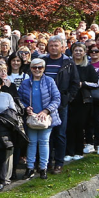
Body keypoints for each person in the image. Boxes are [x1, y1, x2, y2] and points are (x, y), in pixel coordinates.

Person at [40, 35, 79, 174]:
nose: (53, 48)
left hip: (61, 102)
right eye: (51, 45)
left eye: (56, 45)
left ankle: (59, 163)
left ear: (62, 47)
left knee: (60, 133)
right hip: (44, 102)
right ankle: (47, 162)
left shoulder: (68, 62)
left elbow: (75, 83)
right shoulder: (42, 61)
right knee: (46, 133)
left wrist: (68, 98)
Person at [18, 58, 60, 178]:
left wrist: (46, 111)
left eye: (40, 67)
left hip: (46, 117)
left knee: (44, 142)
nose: (37, 70)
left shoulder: (50, 81)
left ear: (44, 68)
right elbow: (19, 99)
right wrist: (26, 108)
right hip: (32, 117)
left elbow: (56, 98)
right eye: (34, 67)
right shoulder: (25, 83)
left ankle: (43, 168)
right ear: (30, 69)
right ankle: (30, 168)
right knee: (31, 143)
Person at [66, 42, 99, 160]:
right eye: (76, 50)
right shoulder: (68, 65)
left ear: (85, 52)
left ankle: (78, 151)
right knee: (69, 126)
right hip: (70, 99)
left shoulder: (88, 67)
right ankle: (69, 152)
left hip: (83, 100)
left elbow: (96, 83)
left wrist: (82, 84)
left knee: (80, 126)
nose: (78, 53)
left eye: (80, 50)